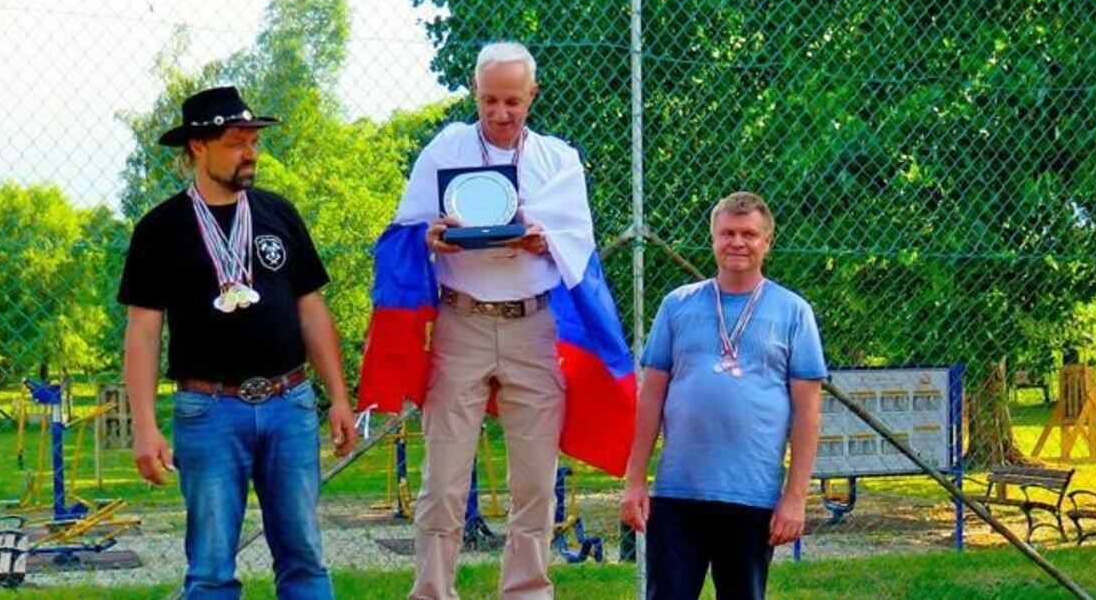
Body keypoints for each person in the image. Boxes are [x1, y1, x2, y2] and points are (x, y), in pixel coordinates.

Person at [118, 85, 357, 599]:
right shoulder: (160, 230)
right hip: (208, 411)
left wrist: (338, 397)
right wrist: (145, 426)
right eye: (236, 142)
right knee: (210, 568)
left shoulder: (279, 214)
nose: (250, 153)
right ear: (198, 146)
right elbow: (143, 332)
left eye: (254, 141)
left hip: (289, 404)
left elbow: (312, 310)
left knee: (305, 558)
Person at [391, 41, 605, 600]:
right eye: (489, 100)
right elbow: (406, 228)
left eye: (513, 100)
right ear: (475, 93)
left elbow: (578, 242)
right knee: (443, 479)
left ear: (532, 95)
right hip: (460, 321)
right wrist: (430, 237)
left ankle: (526, 591)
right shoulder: (447, 148)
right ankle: (432, 591)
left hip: (533, 326)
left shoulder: (559, 160)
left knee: (535, 481)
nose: (501, 113)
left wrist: (543, 240)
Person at [620, 192, 827, 600]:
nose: (738, 242)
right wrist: (634, 482)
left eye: (749, 234)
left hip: (752, 494)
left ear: (767, 242)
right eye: (728, 233)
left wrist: (795, 498)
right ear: (712, 238)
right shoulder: (677, 305)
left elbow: (807, 413)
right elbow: (650, 399)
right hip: (679, 492)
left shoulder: (793, 312)